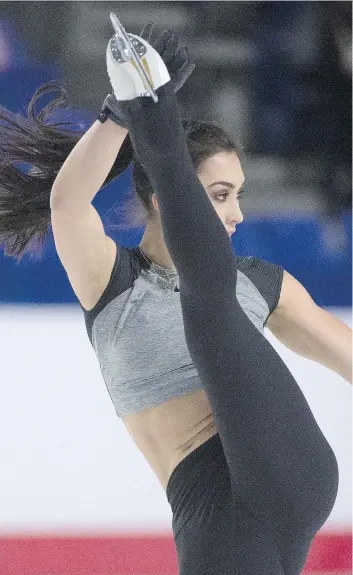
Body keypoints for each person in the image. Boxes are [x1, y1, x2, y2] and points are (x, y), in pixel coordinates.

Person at [0, 21, 351, 575]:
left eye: (238, 195)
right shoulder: (112, 281)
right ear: (165, 199)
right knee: (209, 293)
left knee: (212, 298)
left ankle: (157, 124)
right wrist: (119, 114)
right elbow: (67, 204)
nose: (236, 213)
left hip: (282, 467)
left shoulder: (259, 282)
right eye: (220, 194)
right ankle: (151, 119)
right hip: (209, 515)